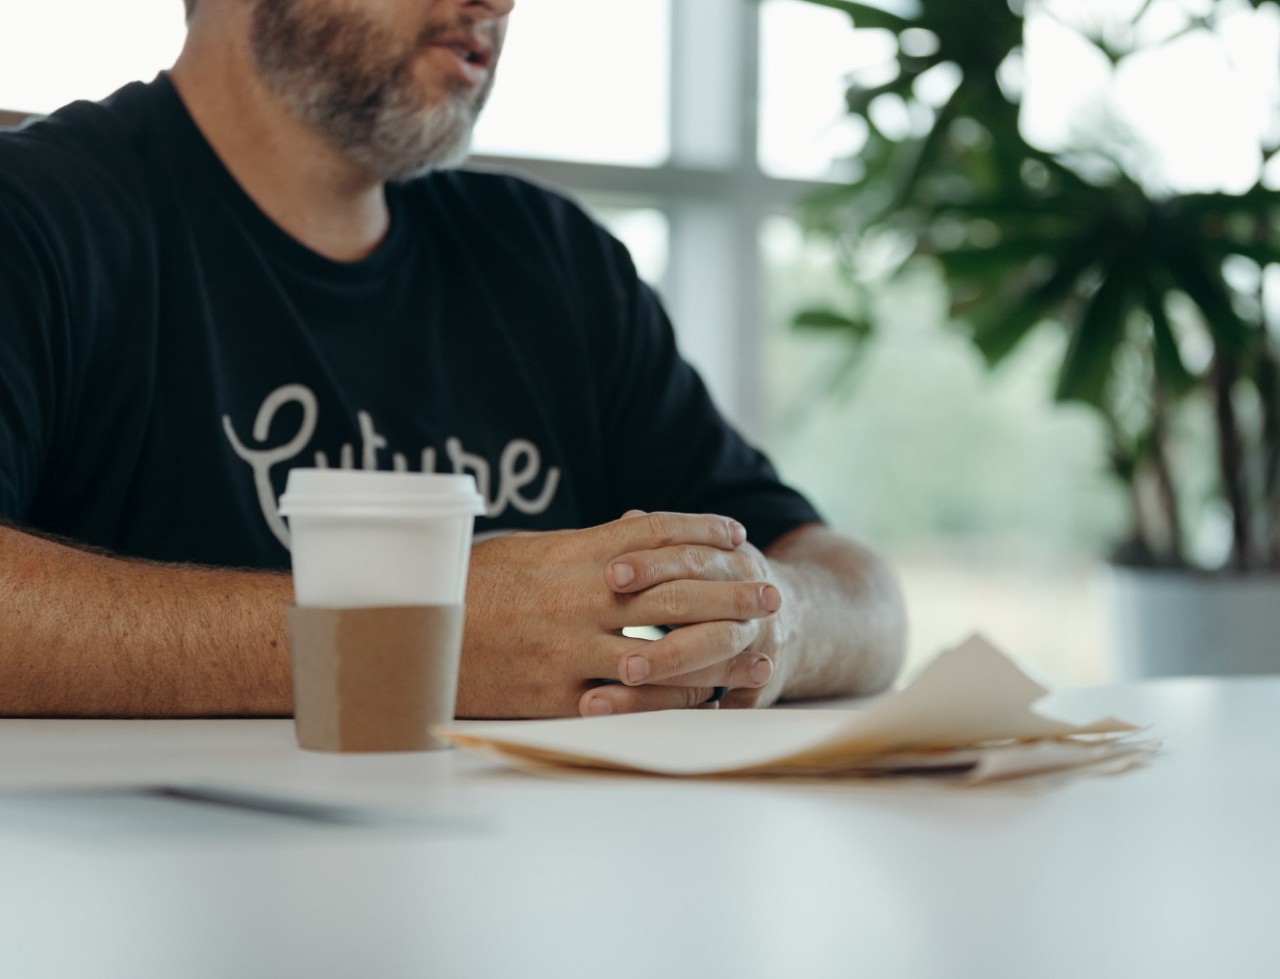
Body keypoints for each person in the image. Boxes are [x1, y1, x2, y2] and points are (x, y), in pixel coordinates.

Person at [0, 0, 905, 719]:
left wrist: (771, 625)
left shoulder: (553, 262)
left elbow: (859, 595)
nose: (498, 4)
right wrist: (406, 644)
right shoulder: (36, 217)